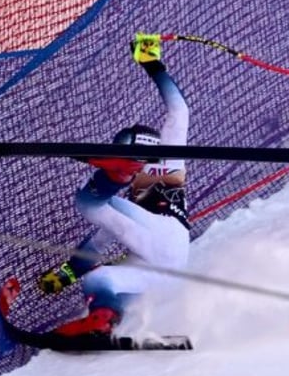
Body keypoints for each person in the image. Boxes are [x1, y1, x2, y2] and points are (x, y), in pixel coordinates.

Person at [36, 34, 191, 339]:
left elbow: (179, 111)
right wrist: (67, 275)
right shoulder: (134, 203)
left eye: (123, 155)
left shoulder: (166, 159)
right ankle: (103, 322)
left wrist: (152, 63)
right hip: (165, 273)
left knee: (91, 204)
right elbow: (103, 240)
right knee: (100, 280)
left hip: (167, 236)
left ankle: (105, 315)